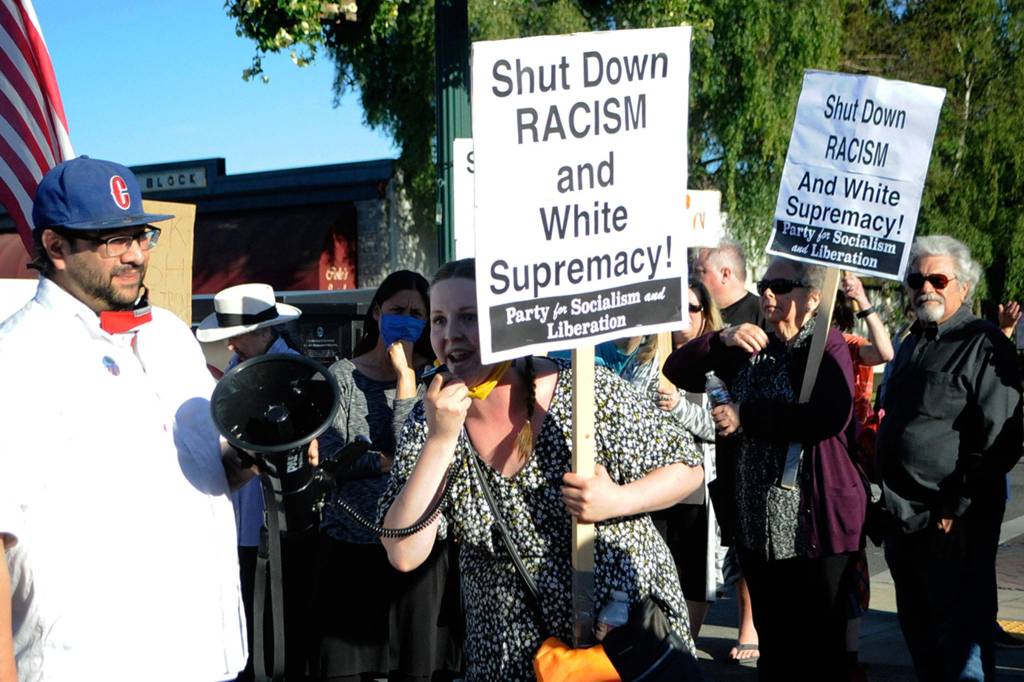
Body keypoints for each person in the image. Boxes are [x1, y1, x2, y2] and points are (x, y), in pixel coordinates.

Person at [378, 259, 704, 681]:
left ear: (509, 322)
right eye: (438, 319)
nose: (450, 333)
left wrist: (616, 500)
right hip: (511, 656)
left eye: (469, 317)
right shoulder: (433, 417)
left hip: (619, 644)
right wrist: (440, 441)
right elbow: (403, 552)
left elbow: (688, 466)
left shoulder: (584, 389)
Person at [0, 157, 250, 680]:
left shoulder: (170, 334)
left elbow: (208, 470)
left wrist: (256, 452)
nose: (135, 253)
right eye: (113, 239)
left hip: (208, 659)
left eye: (140, 234)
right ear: (55, 246)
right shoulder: (18, 355)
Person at [664, 256, 867, 680]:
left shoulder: (824, 346)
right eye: (765, 283)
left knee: (820, 651)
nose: (768, 292)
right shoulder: (754, 344)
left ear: (813, 297)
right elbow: (677, 369)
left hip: (814, 526)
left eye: (781, 284)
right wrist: (723, 338)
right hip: (758, 525)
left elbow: (828, 416)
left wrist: (748, 415)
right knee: (776, 650)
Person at [877, 235, 1023, 681]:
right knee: (921, 640)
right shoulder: (909, 341)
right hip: (903, 519)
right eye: (917, 279)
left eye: (938, 278)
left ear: (963, 285)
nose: (926, 288)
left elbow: (1000, 436)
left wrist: (954, 508)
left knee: (963, 650)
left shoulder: (984, 343)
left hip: (952, 523)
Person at [315, 270, 461, 682]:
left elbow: (419, 460)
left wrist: (405, 383)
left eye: (418, 313)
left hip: (419, 555)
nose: (407, 319)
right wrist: (386, 460)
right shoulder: (340, 377)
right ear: (378, 311)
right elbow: (334, 462)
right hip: (351, 547)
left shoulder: (437, 382)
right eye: (398, 310)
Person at [195, 283, 303, 682]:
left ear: (263, 333)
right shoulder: (246, 372)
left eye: (235, 338)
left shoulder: (290, 375)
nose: (230, 348)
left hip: (274, 523)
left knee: (274, 633)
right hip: (248, 522)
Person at [692, 241, 762, 664]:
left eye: (700, 272)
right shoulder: (703, 316)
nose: (694, 282)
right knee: (726, 540)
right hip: (709, 446)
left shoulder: (757, 313)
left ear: (723, 274)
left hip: (746, 446)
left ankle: (750, 626)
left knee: (748, 540)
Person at [651, 281, 726, 638]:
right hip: (653, 485)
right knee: (654, 567)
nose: (683, 316)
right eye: (675, 308)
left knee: (694, 574)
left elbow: (720, 425)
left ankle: (688, 643)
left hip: (698, 487)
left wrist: (678, 406)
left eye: (691, 308)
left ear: (704, 314)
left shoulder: (715, 365)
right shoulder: (650, 360)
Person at [694, 240, 765, 328]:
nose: (693, 278)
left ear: (725, 275)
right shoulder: (695, 312)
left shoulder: (764, 313)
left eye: (699, 272)